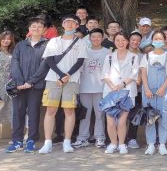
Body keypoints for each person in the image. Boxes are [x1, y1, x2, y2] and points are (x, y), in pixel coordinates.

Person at [39, 15, 87, 154]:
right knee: (51, 110)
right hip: (53, 79)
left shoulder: (81, 42)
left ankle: (67, 141)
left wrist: (67, 75)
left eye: (73, 22)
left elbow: (80, 61)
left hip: (72, 80)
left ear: (77, 25)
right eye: (67, 22)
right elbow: (49, 60)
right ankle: (47, 142)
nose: (70, 24)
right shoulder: (54, 40)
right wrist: (61, 75)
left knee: (69, 110)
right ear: (63, 25)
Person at [7, 17, 50, 153]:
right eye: (33, 26)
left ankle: (31, 140)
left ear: (44, 30)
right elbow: (14, 63)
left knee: (33, 113)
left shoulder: (48, 45)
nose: (36, 29)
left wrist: (31, 82)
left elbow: (45, 65)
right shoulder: (20, 45)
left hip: (36, 86)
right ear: (29, 29)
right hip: (19, 86)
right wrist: (20, 82)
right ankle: (17, 141)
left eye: (39, 27)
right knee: (17, 113)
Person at [101, 32, 140, 154]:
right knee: (110, 121)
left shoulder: (134, 57)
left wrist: (122, 85)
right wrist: (112, 86)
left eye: (123, 40)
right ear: (114, 42)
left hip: (126, 92)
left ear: (127, 41)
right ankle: (113, 143)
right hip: (110, 92)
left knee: (122, 121)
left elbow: (134, 74)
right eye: (117, 40)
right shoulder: (109, 57)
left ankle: (122, 144)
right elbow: (105, 74)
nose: (120, 43)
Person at [72, 29, 109, 149]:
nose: (96, 39)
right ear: (89, 38)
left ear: (102, 38)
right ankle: (82, 138)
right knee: (85, 114)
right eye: (93, 37)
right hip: (84, 87)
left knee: (100, 115)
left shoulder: (108, 52)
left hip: (101, 88)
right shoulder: (84, 52)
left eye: (98, 36)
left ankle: (100, 137)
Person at [140, 31, 167, 155]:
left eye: (160, 39)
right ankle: (150, 144)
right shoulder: (147, 56)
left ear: (164, 40)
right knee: (150, 118)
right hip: (148, 91)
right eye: (156, 39)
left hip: (164, 91)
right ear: (152, 41)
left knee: (163, 117)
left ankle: (162, 144)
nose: (158, 41)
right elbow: (143, 74)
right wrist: (146, 89)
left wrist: (163, 88)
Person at [125, 31, 144, 149]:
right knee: (121, 114)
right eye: (133, 40)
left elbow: (142, 72)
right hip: (122, 88)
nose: (135, 42)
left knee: (135, 114)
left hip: (137, 89)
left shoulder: (142, 56)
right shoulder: (122, 53)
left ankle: (132, 138)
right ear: (129, 40)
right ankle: (119, 138)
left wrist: (137, 83)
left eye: (138, 40)